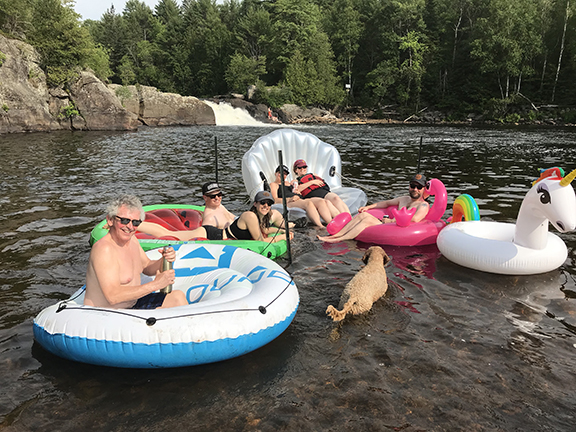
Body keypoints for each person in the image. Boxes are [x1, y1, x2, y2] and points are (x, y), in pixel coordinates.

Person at [84, 195, 188, 309]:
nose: (129, 227)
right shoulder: (104, 249)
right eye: (124, 221)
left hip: (132, 305)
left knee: (178, 297)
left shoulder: (132, 240)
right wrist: (155, 285)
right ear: (110, 220)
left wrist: (163, 259)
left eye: (135, 223)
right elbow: (112, 297)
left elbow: (147, 267)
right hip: (108, 313)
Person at [137, 191, 294, 243]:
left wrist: (280, 230)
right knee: (167, 235)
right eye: (262, 203)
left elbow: (264, 229)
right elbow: (260, 241)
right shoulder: (250, 216)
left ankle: (136, 223)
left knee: (168, 234)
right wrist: (284, 237)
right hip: (211, 234)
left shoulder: (258, 217)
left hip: (218, 234)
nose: (266, 206)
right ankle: (135, 223)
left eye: (268, 203)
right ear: (255, 204)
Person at [317, 174, 430, 243]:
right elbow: (386, 203)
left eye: (419, 187)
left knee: (367, 220)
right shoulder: (404, 199)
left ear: (424, 189)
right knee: (363, 215)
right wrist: (367, 207)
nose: (415, 189)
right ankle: (336, 235)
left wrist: (391, 221)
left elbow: (415, 219)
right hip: (390, 225)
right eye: (413, 186)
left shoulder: (423, 205)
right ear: (409, 186)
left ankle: (339, 239)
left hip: (398, 228)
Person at [270, 164, 339, 227]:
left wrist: (297, 190)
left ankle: (331, 223)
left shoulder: (289, 183)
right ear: (276, 173)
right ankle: (320, 226)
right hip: (290, 201)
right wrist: (290, 199)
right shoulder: (274, 184)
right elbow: (275, 199)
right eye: (280, 173)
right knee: (308, 203)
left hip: (300, 199)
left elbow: (298, 188)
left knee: (321, 201)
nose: (282, 175)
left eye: (285, 174)